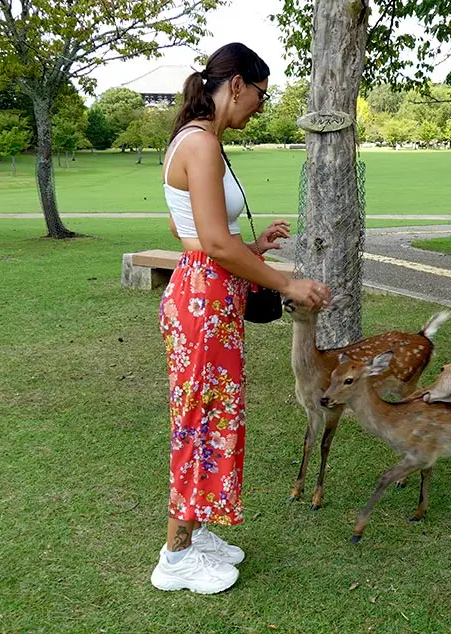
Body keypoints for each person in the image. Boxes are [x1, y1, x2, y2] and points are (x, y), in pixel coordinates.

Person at [152, 42, 331, 594]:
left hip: (209, 295)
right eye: (260, 93)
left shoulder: (199, 142)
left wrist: (251, 247)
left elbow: (201, 238)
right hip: (203, 302)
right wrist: (286, 282)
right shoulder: (201, 145)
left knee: (213, 416)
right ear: (235, 86)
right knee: (201, 422)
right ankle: (174, 557)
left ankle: (196, 530)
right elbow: (209, 242)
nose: (260, 104)